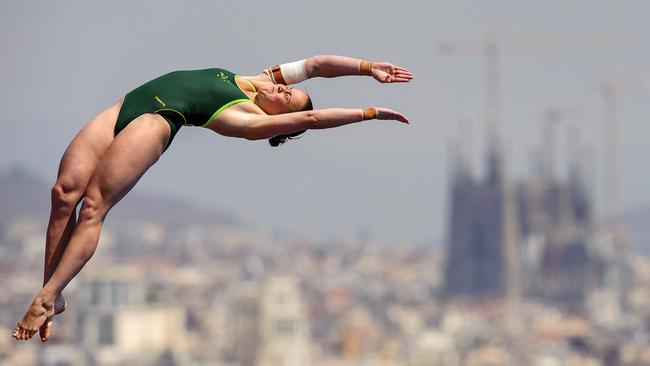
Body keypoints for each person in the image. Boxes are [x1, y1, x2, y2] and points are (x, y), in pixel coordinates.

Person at [12, 54, 413, 341]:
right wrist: (366, 68)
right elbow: (315, 66)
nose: (284, 88)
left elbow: (310, 118)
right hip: (127, 104)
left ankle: (44, 298)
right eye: (289, 89)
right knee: (63, 194)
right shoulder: (254, 80)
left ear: (277, 117)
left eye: (287, 96)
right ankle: (55, 293)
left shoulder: (245, 119)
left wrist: (368, 111)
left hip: (154, 122)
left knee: (93, 207)